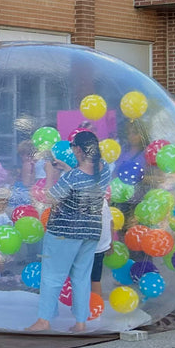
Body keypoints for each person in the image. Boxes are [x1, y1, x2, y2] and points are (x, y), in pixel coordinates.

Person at [29, 130, 112, 332]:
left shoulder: (73, 177)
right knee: (82, 277)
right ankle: (81, 322)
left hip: (64, 232)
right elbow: (84, 182)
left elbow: (50, 197)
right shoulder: (104, 169)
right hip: (90, 231)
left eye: (73, 148)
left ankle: (44, 321)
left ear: (78, 149)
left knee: (52, 275)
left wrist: (50, 174)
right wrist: (66, 169)